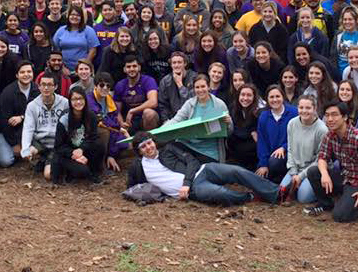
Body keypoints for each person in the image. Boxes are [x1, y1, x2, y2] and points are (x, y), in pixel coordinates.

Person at [127, 131, 279, 206]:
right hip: (194, 189)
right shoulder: (138, 167)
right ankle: (251, 197)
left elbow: (192, 161)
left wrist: (186, 182)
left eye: (149, 143)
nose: (149, 147)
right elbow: (132, 187)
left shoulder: (168, 149)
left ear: (154, 142)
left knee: (236, 171)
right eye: (143, 146)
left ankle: (275, 192)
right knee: (221, 193)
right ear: (139, 151)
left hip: (202, 170)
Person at [304, 101, 358, 222]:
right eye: (327, 115)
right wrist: (324, 174)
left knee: (340, 216)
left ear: (345, 117)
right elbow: (322, 157)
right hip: (345, 178)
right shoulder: (330, 135)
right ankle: (327, 204)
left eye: (334, 115)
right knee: (314, 172)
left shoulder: (357, 137)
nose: (330, 119)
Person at [21, 74, 70, 180]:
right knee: (31, 150)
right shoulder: (32, 106)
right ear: (38, 86)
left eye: (49, 85)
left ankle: (50, 162)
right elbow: (28, 128)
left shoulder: (65, 103)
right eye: (43, 85)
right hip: (41, 142)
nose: (46, 88)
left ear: (55, 87)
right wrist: (25, 148)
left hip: (58, 144)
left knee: (48, 175)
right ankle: (43, 159)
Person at [51, 86, 105, 184]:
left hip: (81, 150)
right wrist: (74, 155)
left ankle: (94, 172)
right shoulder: (64, 120)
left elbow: (93, 138)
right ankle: (69, 172)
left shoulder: (91, 116)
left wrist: (82, 149)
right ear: (70, 102)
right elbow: (58, 146)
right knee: (82, 171)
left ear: (85, 99)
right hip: (67, 154)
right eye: (74, 99)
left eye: (80, 98)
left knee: (99, 145)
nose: (78, 102)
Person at [280, 94, 327, 203]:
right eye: (301, 108)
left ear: (315, 109)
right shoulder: (292, 124)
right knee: (282, 191)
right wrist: (293, 172)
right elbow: (290, 149)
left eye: (308, 108)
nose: (304, 111)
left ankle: (319, 189)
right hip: (296, 168)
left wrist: (301, 176)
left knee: (303, 198)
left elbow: (320, 159)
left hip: (312, 170)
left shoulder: (322, 130)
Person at [0, 61, 38, 167]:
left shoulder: (38, 90)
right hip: (7, 132)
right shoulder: (8, 93)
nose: (26, 74)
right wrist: (14, 144)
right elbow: (4, 122)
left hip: (28, 130)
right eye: (22, 72)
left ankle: (25, 149)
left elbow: (38, 115)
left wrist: (22, 117)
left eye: (29, 71)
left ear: (33, 74)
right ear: (17, 75)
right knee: (6, 161)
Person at [255, 85, 298, 184]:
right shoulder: (264, 117)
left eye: (278, 96)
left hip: (290, 154)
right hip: (270, 156)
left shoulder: (293, 113)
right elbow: (262, 142)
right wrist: (263, 164)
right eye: (271, 97)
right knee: (260, 174)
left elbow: (298, 136)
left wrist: (284, 147)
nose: (275, 100)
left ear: (283, 97)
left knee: (275, 162)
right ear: (267, 99)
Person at [114, 56, 160, 132]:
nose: (132, 69)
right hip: (129, 121)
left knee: (149, 113)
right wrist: (122, 123)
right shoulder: (120, 85)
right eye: (128, 67)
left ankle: (149, 139)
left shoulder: (148, 80)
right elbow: (116, 110)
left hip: (145, 118)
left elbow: (153, 102)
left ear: (139, 68)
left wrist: (133, 111)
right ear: (124, 69)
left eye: (134, 66)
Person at [52, 6, 99, 71]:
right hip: (63, 69)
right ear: (68, 16)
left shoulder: (89, 30)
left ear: (81, 17)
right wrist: (62, 67)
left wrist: (84, 65)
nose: (74, 17)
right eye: (72, 15)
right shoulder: (61, 30)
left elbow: (93, 51)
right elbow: (55, 50)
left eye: (78, 15)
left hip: (83, 70)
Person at [228, 84, 261, 170]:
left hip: (252, 155)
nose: (245, 98)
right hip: (235, 152)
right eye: (242, 95)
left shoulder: (258, 113)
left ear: (254, 97)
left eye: (249, 95)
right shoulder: (233, 109)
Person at [330, 5, 358, 76]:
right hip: (339, 73)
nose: (347, 22)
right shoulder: (338, 35)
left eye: (350, 19)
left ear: (356, 20)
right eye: (345, 19)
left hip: (356, 73)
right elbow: (333, 57)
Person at [157, 51, 196, 122]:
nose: (177, 65)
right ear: (171, 65)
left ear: (185, 63)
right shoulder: (165, 81)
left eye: (179, 62)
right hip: (173, 118)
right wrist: (166, 120)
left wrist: (180, 84)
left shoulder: (194, 78)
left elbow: (191, 101)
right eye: (174, 63)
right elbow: (163, 104)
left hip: (191, 116)